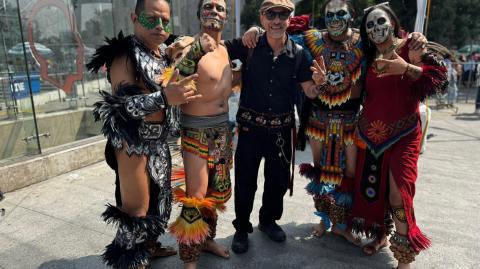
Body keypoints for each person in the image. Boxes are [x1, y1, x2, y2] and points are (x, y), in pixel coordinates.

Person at [242, 0, 426, 247]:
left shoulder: (365, 39)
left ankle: (342, 225)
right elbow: (279, 35)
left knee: (349, 173)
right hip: (319, 117)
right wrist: (255, 30)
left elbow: (394, 40)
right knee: (321, 171)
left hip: (351, 119)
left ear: (351, 15)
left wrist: (415, 38)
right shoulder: (311, 39)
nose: (335, 19)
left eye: (341, 13)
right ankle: (323, 219)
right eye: (330, 15)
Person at [86, 0, 213, 268]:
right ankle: (131, 260)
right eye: (151, 19)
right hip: (132, 144)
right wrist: (166, 97)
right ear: (134, 18)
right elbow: (121, 107)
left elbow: (192, 44)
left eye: (165, 21)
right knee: (137, 209)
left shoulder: (164, 53)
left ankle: (149, 247)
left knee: (161, 203)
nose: (159, 26)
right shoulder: (124, 54)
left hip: (159, 141)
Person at [223, 0, 326, 254]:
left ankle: (268, 220)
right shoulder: (248, 45)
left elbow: (309, 92)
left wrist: (320, 84)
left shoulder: (299, 53)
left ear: (290, 18)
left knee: (277, 181)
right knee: (245, 180)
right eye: (271, 14)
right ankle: (241, 227)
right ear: (262, 18)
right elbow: (218, 49)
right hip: (249, 129)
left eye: (283, 14)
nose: (277, 20)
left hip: (281, 130)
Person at [350, 4, 447, 269]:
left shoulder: (411, 46)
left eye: (380, 21)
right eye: (369, 25)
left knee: (398, 194)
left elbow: (438, 82)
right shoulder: (367, 57)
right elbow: (357, 93)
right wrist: (326, 84)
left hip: (403, 135)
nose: (375, 28)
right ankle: (381, 236)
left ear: (392, 22)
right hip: (371, 136)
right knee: (375, 191)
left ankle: (404, 260)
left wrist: (407, 67)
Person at [166, 1, 233, 268]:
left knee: (215, 193)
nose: (214, 12)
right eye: (209, 6)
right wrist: (196, 50)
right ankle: (189, 260)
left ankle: (206, 239)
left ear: (226, 17)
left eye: (220, 8)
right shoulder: (185, 45)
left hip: (223, 131)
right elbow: (170, 85)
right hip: (196, 129)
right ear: (199, 13)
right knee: (196, 193)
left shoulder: (227, 49)